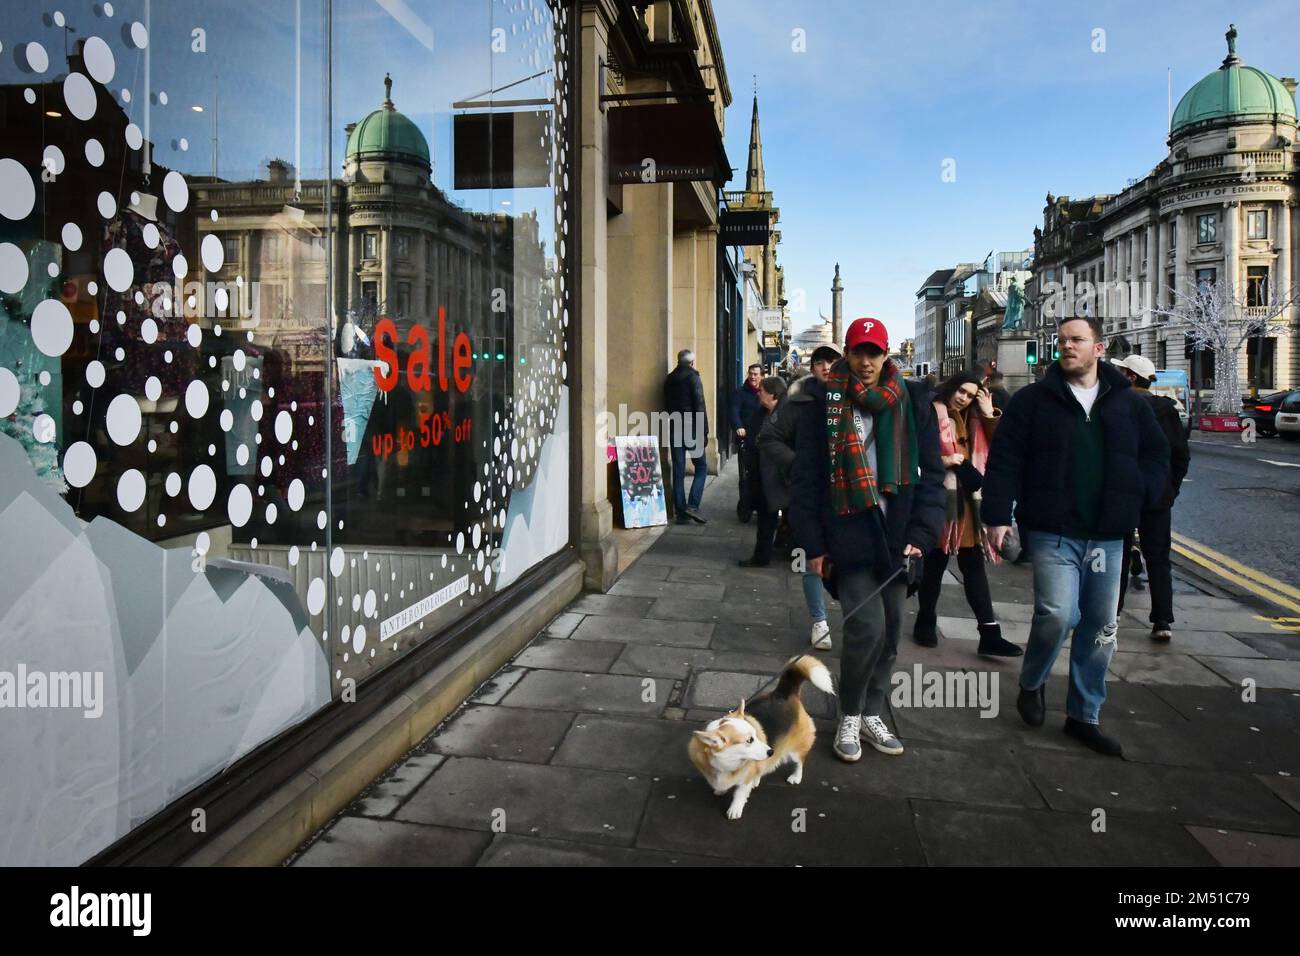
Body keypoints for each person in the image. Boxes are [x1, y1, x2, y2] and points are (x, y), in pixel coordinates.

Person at [982, 316, 1170, 757]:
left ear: (1099, 349)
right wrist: (996, 517)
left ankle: (1084, 716)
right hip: (1052, 529)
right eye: (1062, 340)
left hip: (1109, 535)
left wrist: (1142, 495)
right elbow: (1005, 459)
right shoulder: (1033, 401)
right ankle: (1032, 680)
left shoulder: (1130, 404)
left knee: (1101, 627)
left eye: (1077, 340)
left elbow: (1157, 456)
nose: (1067, 346)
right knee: (1058, 614)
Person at [789, 318, 944, 762]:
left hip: (897, 535)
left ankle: (873, 710)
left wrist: (922, 533)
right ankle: (851, 715)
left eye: (874, 352)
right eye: (858, 352)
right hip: (848, 530)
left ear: (886, 354)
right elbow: (805, 483)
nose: (866, 361)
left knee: (894, 628)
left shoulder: (912, 402)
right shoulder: (822, 404)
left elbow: (932, 477)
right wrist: (814, 547)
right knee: (865, 627)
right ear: (847, 354)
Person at [913, 371, 1022, 657]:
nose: (963, 398)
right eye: (961, 391)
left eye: (970, 395)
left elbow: (1001, 447)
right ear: (951, 387)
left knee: (973, 566)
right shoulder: (928, 411)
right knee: (935, 564)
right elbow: (911, 454)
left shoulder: (974, 417)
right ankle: (925, 618)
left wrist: (988, 414)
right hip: (938, 499)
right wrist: (944, 461)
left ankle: (989, 632)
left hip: (969, 504)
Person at [758, 344, 841, 649]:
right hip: (809, 494)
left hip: (848, 493)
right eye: (820, 362)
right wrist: (797, 464)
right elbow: (768, 437)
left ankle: (855, 615)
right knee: (811, 559)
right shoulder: (798, 402)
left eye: (832, 361)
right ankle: (820, 621)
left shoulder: (854, 398)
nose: (826, 367)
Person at [1111, 354, 1190, 642]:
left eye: (1120, 371)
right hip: (1157, 497)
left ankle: (1112, 613)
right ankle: (1162, 621)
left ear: (1131, 377)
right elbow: (1180, 455)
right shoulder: (1167, 410)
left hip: (1122, 495)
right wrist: (1170, 490)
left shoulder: (1116, 405)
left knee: (1117, 556)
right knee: (1158, 559)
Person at [738, 376, 787, 567]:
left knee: (775, 517)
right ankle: (763, 554)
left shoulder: (786, 415)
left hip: (777, 476)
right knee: (766, 518)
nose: (759, 394)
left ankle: (767, 555)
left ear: (773, 395)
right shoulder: (762, 412)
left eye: (762, 391)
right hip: (762, 475)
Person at [663, 349, 709, 525]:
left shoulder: (669, 379)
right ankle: (693, 505)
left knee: (679, 471)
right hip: (692, 428)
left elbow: (666, 406)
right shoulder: (693, 377)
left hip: (675, 427)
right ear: (692, 363)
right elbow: (699, 404)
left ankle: (681, 513)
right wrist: (704, 431)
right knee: (702, 467)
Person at [730, 365, 763, 523]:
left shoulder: (765, 392)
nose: (753, 377)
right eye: (751, 374)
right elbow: (734, 412)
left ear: (761, 376)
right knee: (745, 477)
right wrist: (738, 427)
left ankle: (760, 504)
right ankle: (745, 508)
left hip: (763, 441)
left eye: (756, 374)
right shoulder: (740, 393)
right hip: (746, 441)